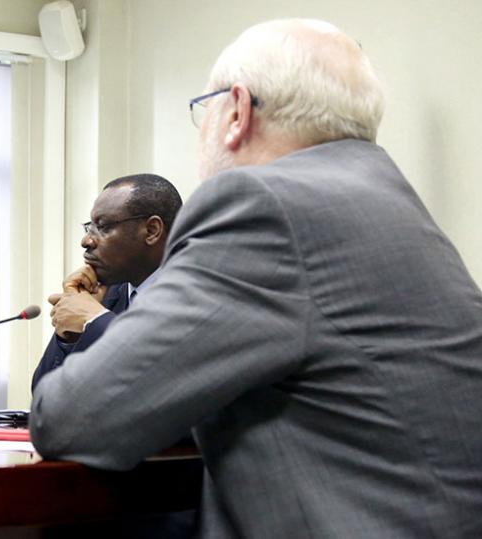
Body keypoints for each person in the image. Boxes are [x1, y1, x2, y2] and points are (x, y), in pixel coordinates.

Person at [30, 18, 482, 538]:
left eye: (203, 112)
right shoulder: (390, 203)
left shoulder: (259, 206)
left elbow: (73, 418)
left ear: (236, 111)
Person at [31, 174, 182, 390]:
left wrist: (95, 320)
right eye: (89, 227)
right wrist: (71, 336)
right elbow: (43, 390)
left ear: (151, 231)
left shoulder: (197, 292)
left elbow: (165, 378)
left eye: (103, 226)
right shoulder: (108, 293)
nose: (86, 241)